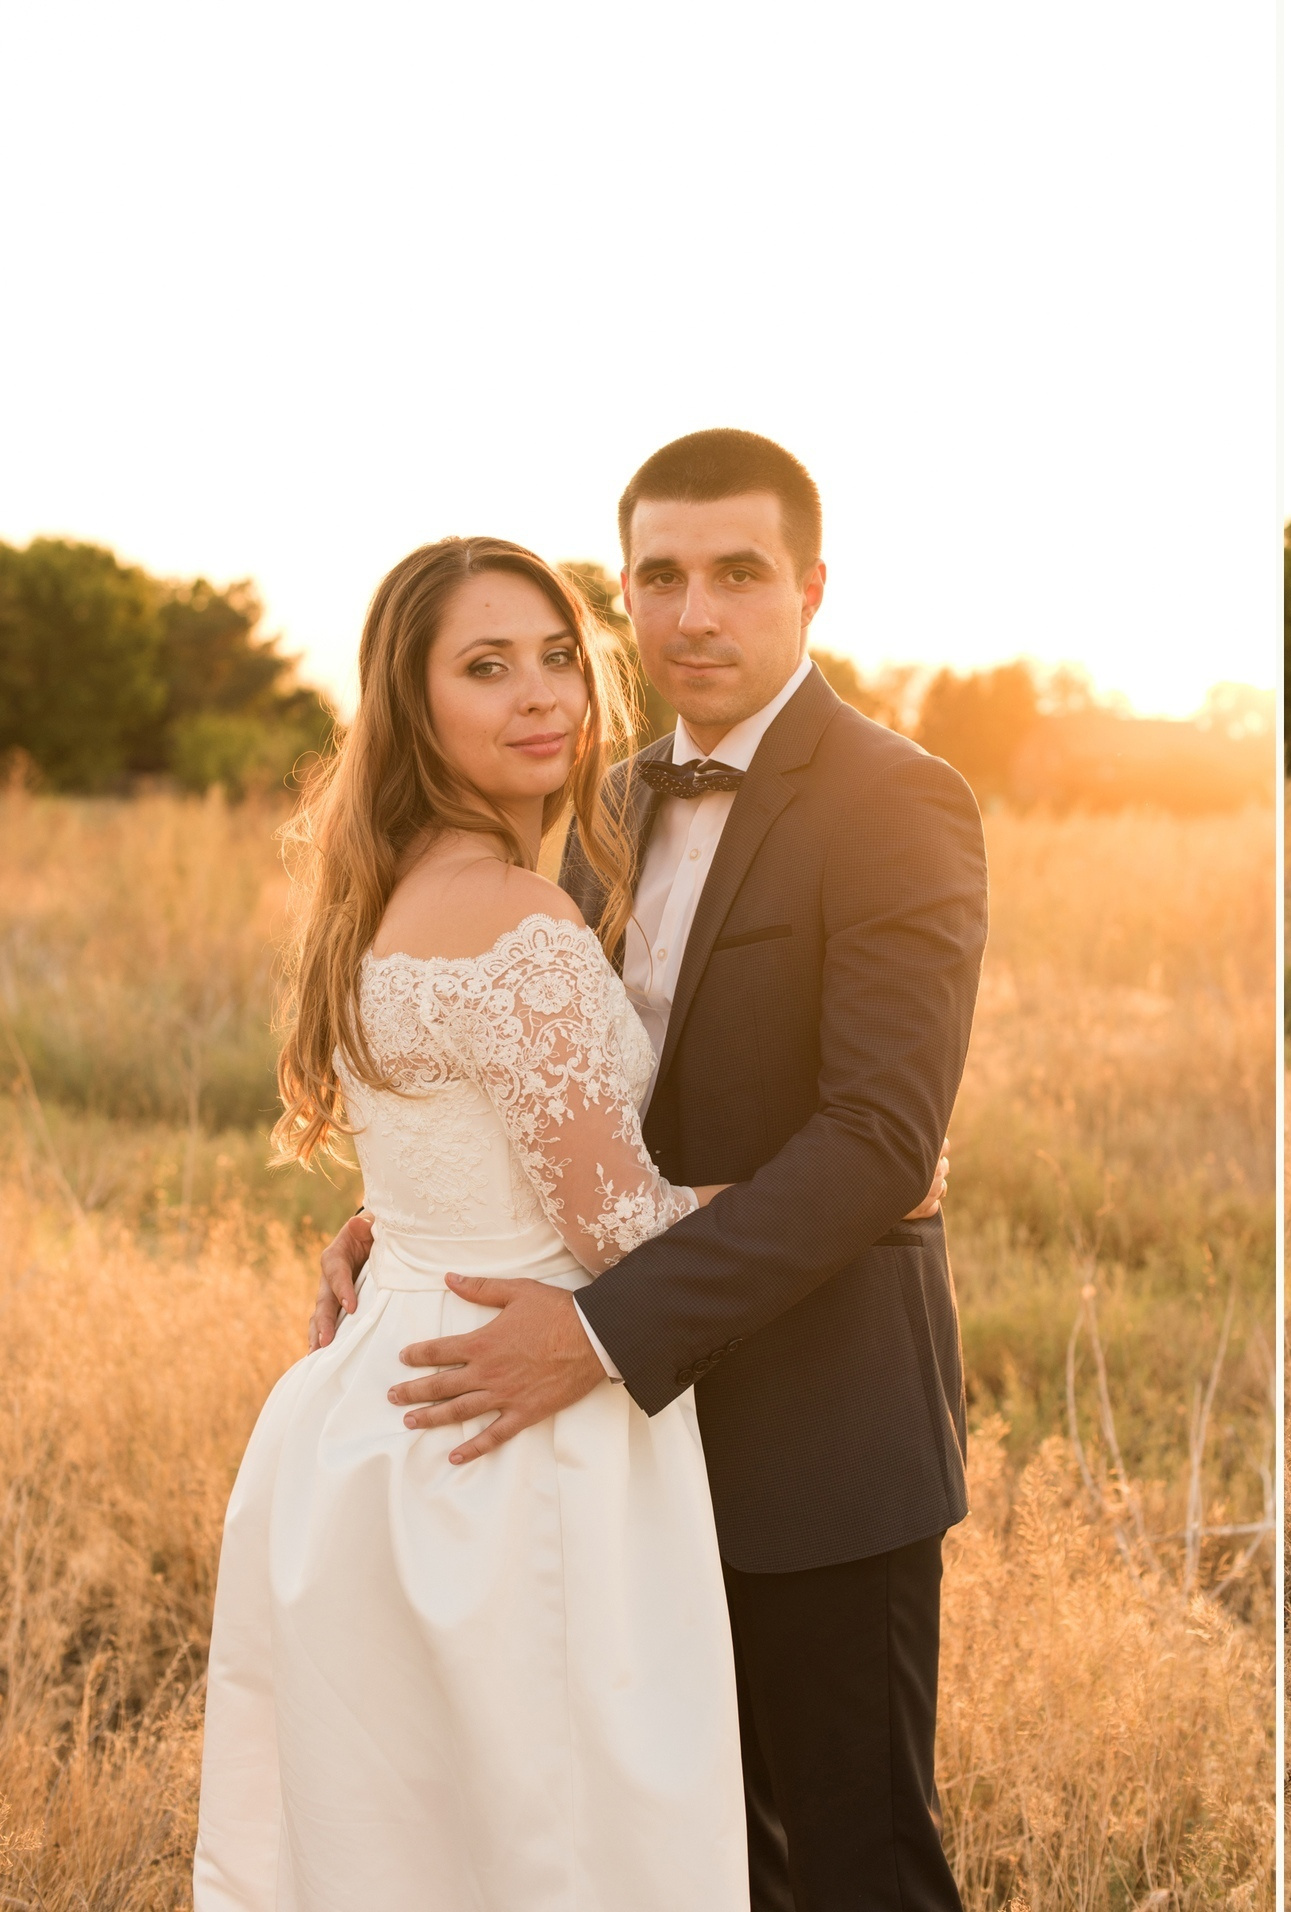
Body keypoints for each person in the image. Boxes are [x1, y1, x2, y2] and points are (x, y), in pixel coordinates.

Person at [308, 431, 988, 1908]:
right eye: (660, 577)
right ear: (625, 593)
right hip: (609, 1459)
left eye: (738, 574)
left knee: (859, 1864)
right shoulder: (594, 804)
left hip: (814, 1430)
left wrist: (604, 1331)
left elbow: (882, 1143)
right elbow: (547, 1086)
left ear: (811, 588)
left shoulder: (897, 799)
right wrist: (407, 1214)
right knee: (683, 1861)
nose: (695, 614)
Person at [196, 535, 751, 1906]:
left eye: (559, 656)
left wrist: (383, 1226)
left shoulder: (385, 896)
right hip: (514, 1427)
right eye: (487, 667)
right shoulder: (517, 920)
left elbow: (449, 1151)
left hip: (376, 1413)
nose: (542, 694)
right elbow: (624, 1232)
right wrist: (842, 1187)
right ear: (414, 700)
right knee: (559, 1843)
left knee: (403, 1848)